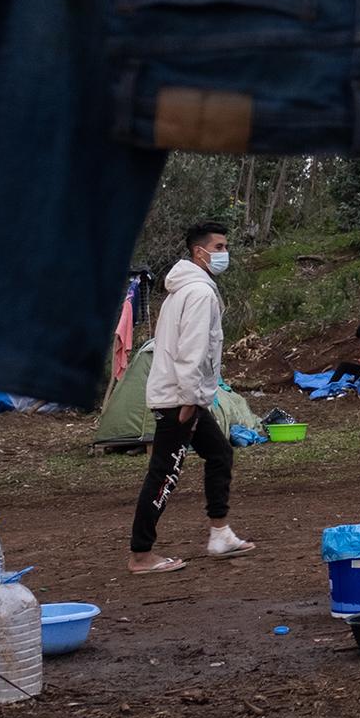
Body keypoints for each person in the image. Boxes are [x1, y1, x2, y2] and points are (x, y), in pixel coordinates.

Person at [127, 221, 255, 574]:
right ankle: (141, 555)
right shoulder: (199, 293)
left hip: (184, 394)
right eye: (218, 247)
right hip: (180, 399)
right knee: (165, 473)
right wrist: (191, 398)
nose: (224, 253)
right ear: (199, 252)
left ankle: (220, 533)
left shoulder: (182, 290)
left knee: (219, 452)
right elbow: (193, 351)